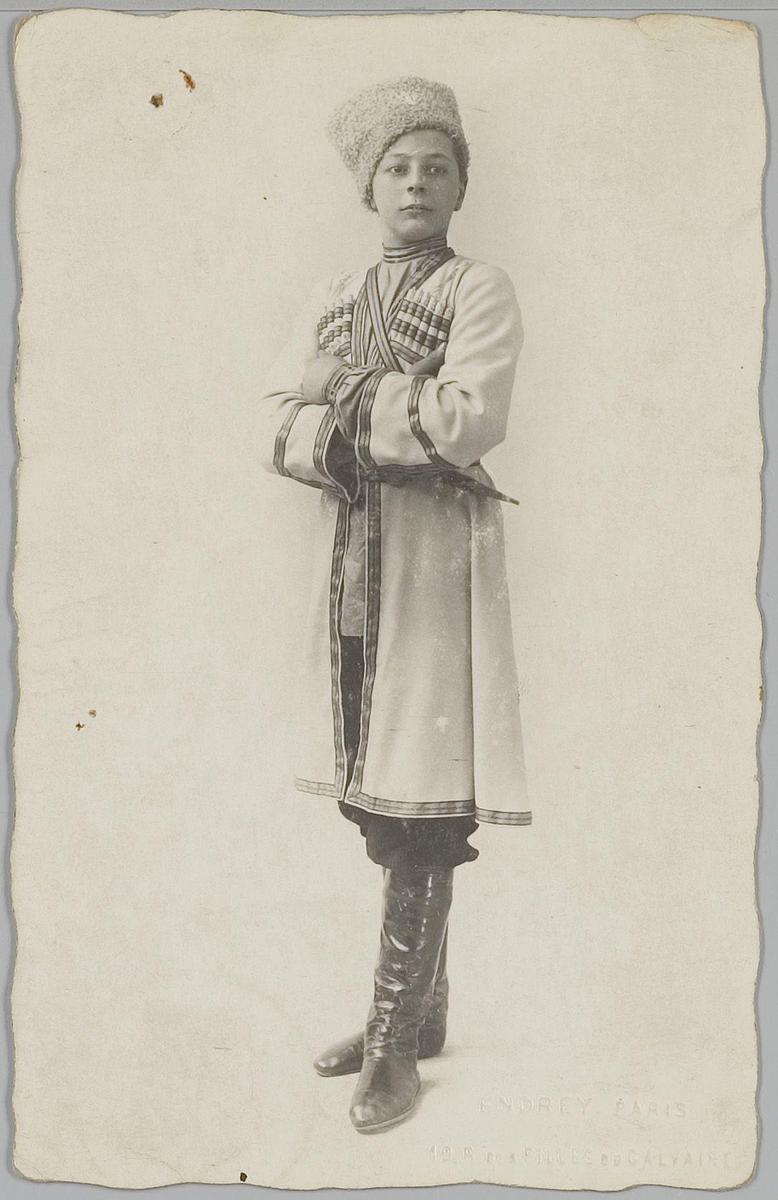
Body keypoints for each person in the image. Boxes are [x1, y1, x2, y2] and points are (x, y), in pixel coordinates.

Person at [257, 76, 531, 1134]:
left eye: (437, 167)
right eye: (398, 169)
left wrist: (345, 394)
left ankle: (392, 1040)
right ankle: (424, 1015)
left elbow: (465, 420)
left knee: (424, 794)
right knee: (374, 793)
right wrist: (382, 401)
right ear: (368, 188)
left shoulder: (478, 289)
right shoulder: (332, 292)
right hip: (344, 567)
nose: (417, 184)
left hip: (431, 566)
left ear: (462, 186)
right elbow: (275, 425)